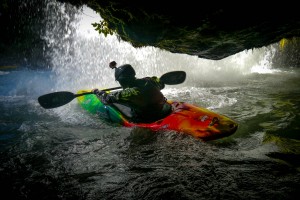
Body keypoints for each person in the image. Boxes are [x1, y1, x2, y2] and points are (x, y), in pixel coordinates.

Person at [92, 61, 172, 123]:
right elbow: (161, 84)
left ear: (122, 81)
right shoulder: (150, 80)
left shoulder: (129, 93)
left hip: (149, 118)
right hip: (163, 110)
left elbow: (108, 98)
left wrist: (98, 92)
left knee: (119, 102)